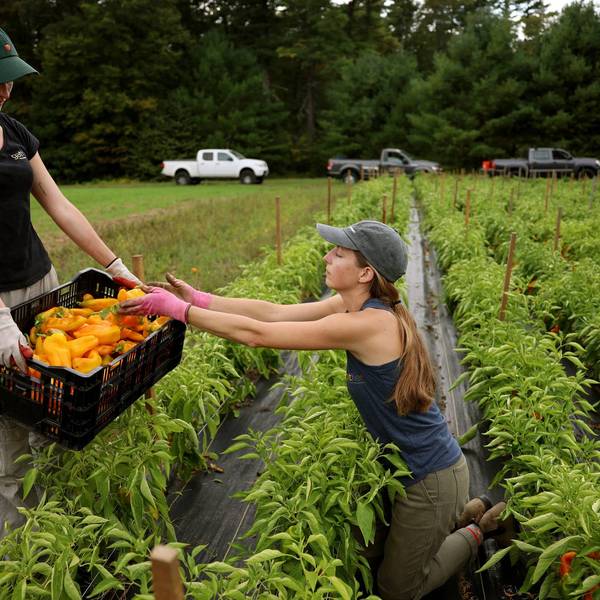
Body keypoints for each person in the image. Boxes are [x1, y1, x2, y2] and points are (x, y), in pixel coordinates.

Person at [120, 218, 508, 599]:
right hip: (410, 472)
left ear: (365, 273)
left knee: (396, 588)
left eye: (338, 253)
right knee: (374, 554)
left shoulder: (368, 324)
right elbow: (273, 313)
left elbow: (259, 336)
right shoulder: (354, 305)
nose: (326, 256)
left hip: (431, 477)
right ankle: (464, 512)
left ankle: (480, 529)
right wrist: (200, 299)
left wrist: (179, 312)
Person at [0, 28, 140, 538]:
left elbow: (59, 205)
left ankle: (53, 526)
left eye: (10, 81)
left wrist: (115, 264)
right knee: (7, 430)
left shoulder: (13, 133)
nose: (6, 91)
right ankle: (19, 554)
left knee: (48, 412)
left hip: (39, 285)